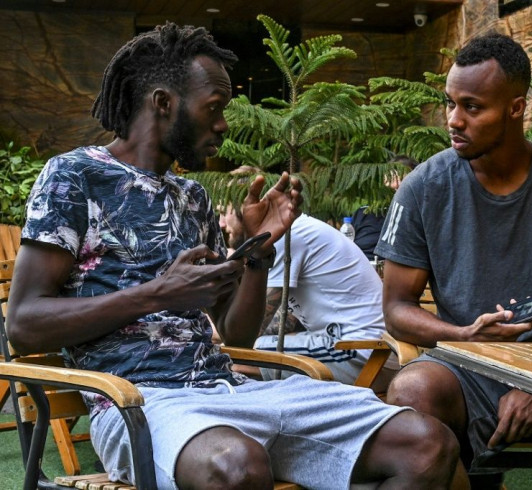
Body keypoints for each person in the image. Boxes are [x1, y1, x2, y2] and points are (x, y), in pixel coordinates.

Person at [6, 23, 466, 489]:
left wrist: (259, 252)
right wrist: (156, 294)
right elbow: (22, 325)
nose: (223, 124)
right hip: (137, 403)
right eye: (214, 109)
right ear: (163, 103)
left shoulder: (192, 198)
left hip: (234, 391)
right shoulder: (74, 176)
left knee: (426, 443)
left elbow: (233, 333)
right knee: (235, 465)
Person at [374, 32, 532, 489]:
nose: (454, 120)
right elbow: (396, 309)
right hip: (464, 371)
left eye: (472, 107)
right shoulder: (424, 189)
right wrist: (460, 333)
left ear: (516, 108)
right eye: (450, 103)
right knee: (412, 392)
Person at [251, 214, 398, 389]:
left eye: (226, 212)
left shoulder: (284, 236)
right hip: (377, 353)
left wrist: (215, 327)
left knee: (233, 356)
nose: (221, 223)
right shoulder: (296, 229)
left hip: (365, 354)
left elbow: (248, 331)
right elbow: (286, 322)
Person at [352, 156, 418, 261]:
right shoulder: (363, 213)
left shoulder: (417, 215)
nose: (396, 184)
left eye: (402, 178)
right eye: (392, 178)